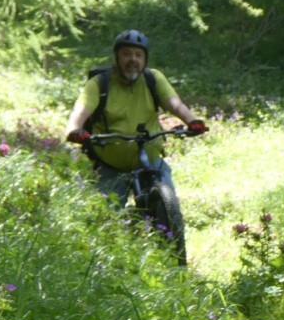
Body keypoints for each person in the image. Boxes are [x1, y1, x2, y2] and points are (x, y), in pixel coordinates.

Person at [64, 29, 207, 205]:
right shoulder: (99, 84)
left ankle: (171, 229)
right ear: (116, 57)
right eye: (126, 54)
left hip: (150, 161)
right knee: (106, 219)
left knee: (169, 206)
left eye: (138, 55)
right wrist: (74, 129)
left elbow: (175, 104)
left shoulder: (153, 78)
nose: (133, 60)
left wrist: (192, 122)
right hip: (111, 166)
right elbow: (81, 110)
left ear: (144, 60)